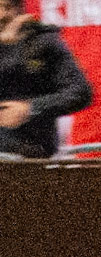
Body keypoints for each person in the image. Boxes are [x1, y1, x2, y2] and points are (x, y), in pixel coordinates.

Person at [0, 0, 91, 159]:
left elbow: (80, 92)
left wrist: (31, 108)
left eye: (7, 7)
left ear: (19, 9)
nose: (1, 15)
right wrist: (6, 49)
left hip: (33, 157)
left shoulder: (43, 41)